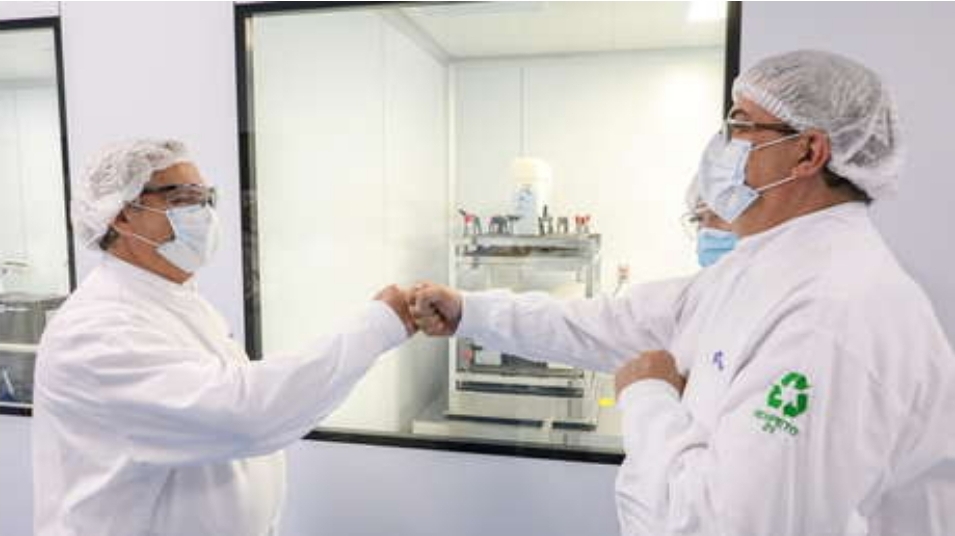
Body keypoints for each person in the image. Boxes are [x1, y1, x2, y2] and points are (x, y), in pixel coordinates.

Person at [411, 50, 955, 535]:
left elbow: (728, 526)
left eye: (740, 125)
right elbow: (603, 323)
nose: (722, 146)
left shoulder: (832, 313)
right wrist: (469, 311)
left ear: (807, 152)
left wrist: (648, 395)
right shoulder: (754, 272)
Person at [32, 139, 417, 536]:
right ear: (122, 216)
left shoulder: (176, 301)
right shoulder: (98, 330)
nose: (204, 214)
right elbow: (246, 414)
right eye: (184, 198)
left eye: (207, 198)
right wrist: (378, 326)